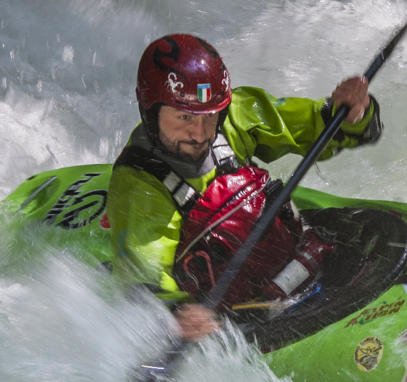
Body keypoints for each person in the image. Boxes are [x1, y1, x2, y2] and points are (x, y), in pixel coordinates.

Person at [108, 33, 381, 343]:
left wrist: (353, 113)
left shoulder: (235, 115)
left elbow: (322, 125)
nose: (200, 134)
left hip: (307, 259)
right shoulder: (138, 184)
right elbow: (144, 281)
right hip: (243, 319)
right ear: (150, 110)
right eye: (184, 117)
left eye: (210, 117)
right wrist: (179, 313)